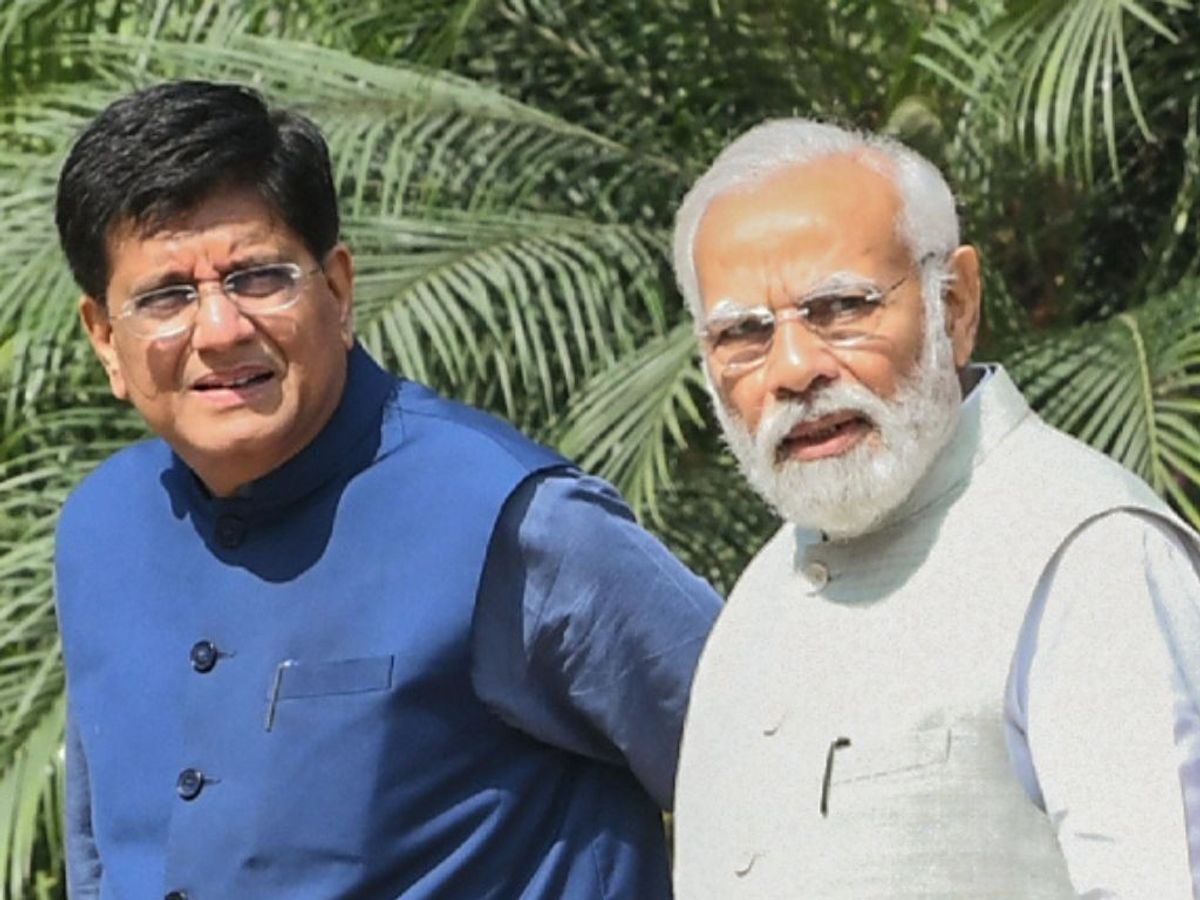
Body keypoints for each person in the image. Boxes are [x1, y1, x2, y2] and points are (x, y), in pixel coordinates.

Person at [53, 80, 721, 899]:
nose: (221, 330)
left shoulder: (515, 524)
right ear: (104, 340)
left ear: (337, 289)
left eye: (258, 278)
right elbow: (102, 855)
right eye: (166, 296)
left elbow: (774, 777)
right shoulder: (101, 529)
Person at [670, 119, 1200, 898]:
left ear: (953, 305)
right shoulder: (763, 591)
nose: (792, 368)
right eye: (742, 335)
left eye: (839, 308)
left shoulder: (1089, 558)